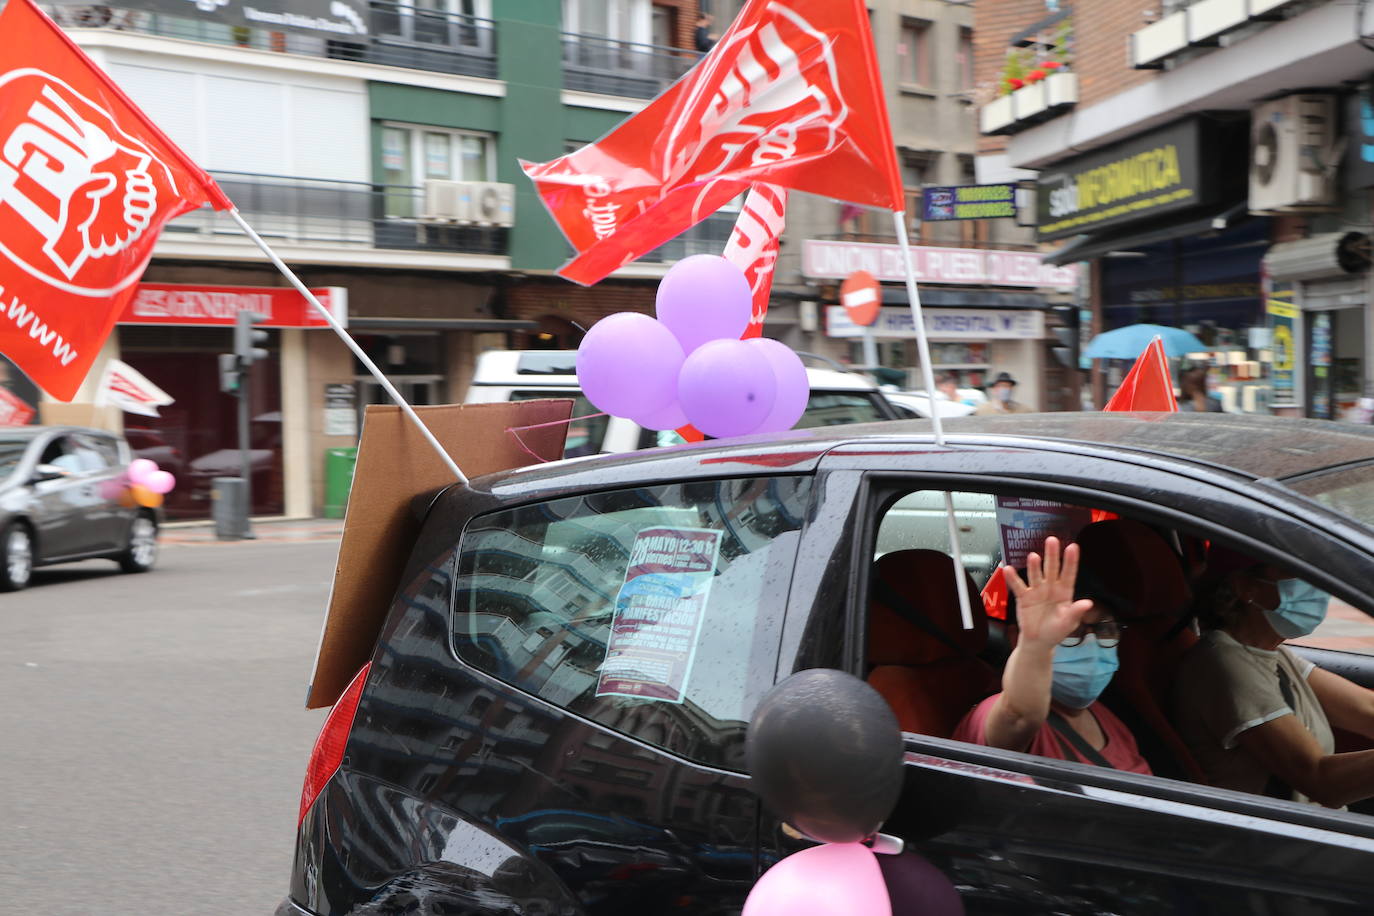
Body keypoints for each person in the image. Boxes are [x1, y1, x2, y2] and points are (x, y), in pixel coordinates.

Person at [1174, 546, 1374, 807]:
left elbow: (1366, 708)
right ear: (1245, 587)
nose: (1316, 585)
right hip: (1281, 837)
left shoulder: (1268, 653)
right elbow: (1321, 781)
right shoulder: (1224, 666)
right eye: (1296, 571)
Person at [953, 536, 1152, 773]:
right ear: (1016, 637)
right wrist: (1036, 646)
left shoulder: (1107, 718)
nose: (1091, 644)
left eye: (1104, 628)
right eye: (1069, 630)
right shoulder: (997, 712)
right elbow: (1018, 715)